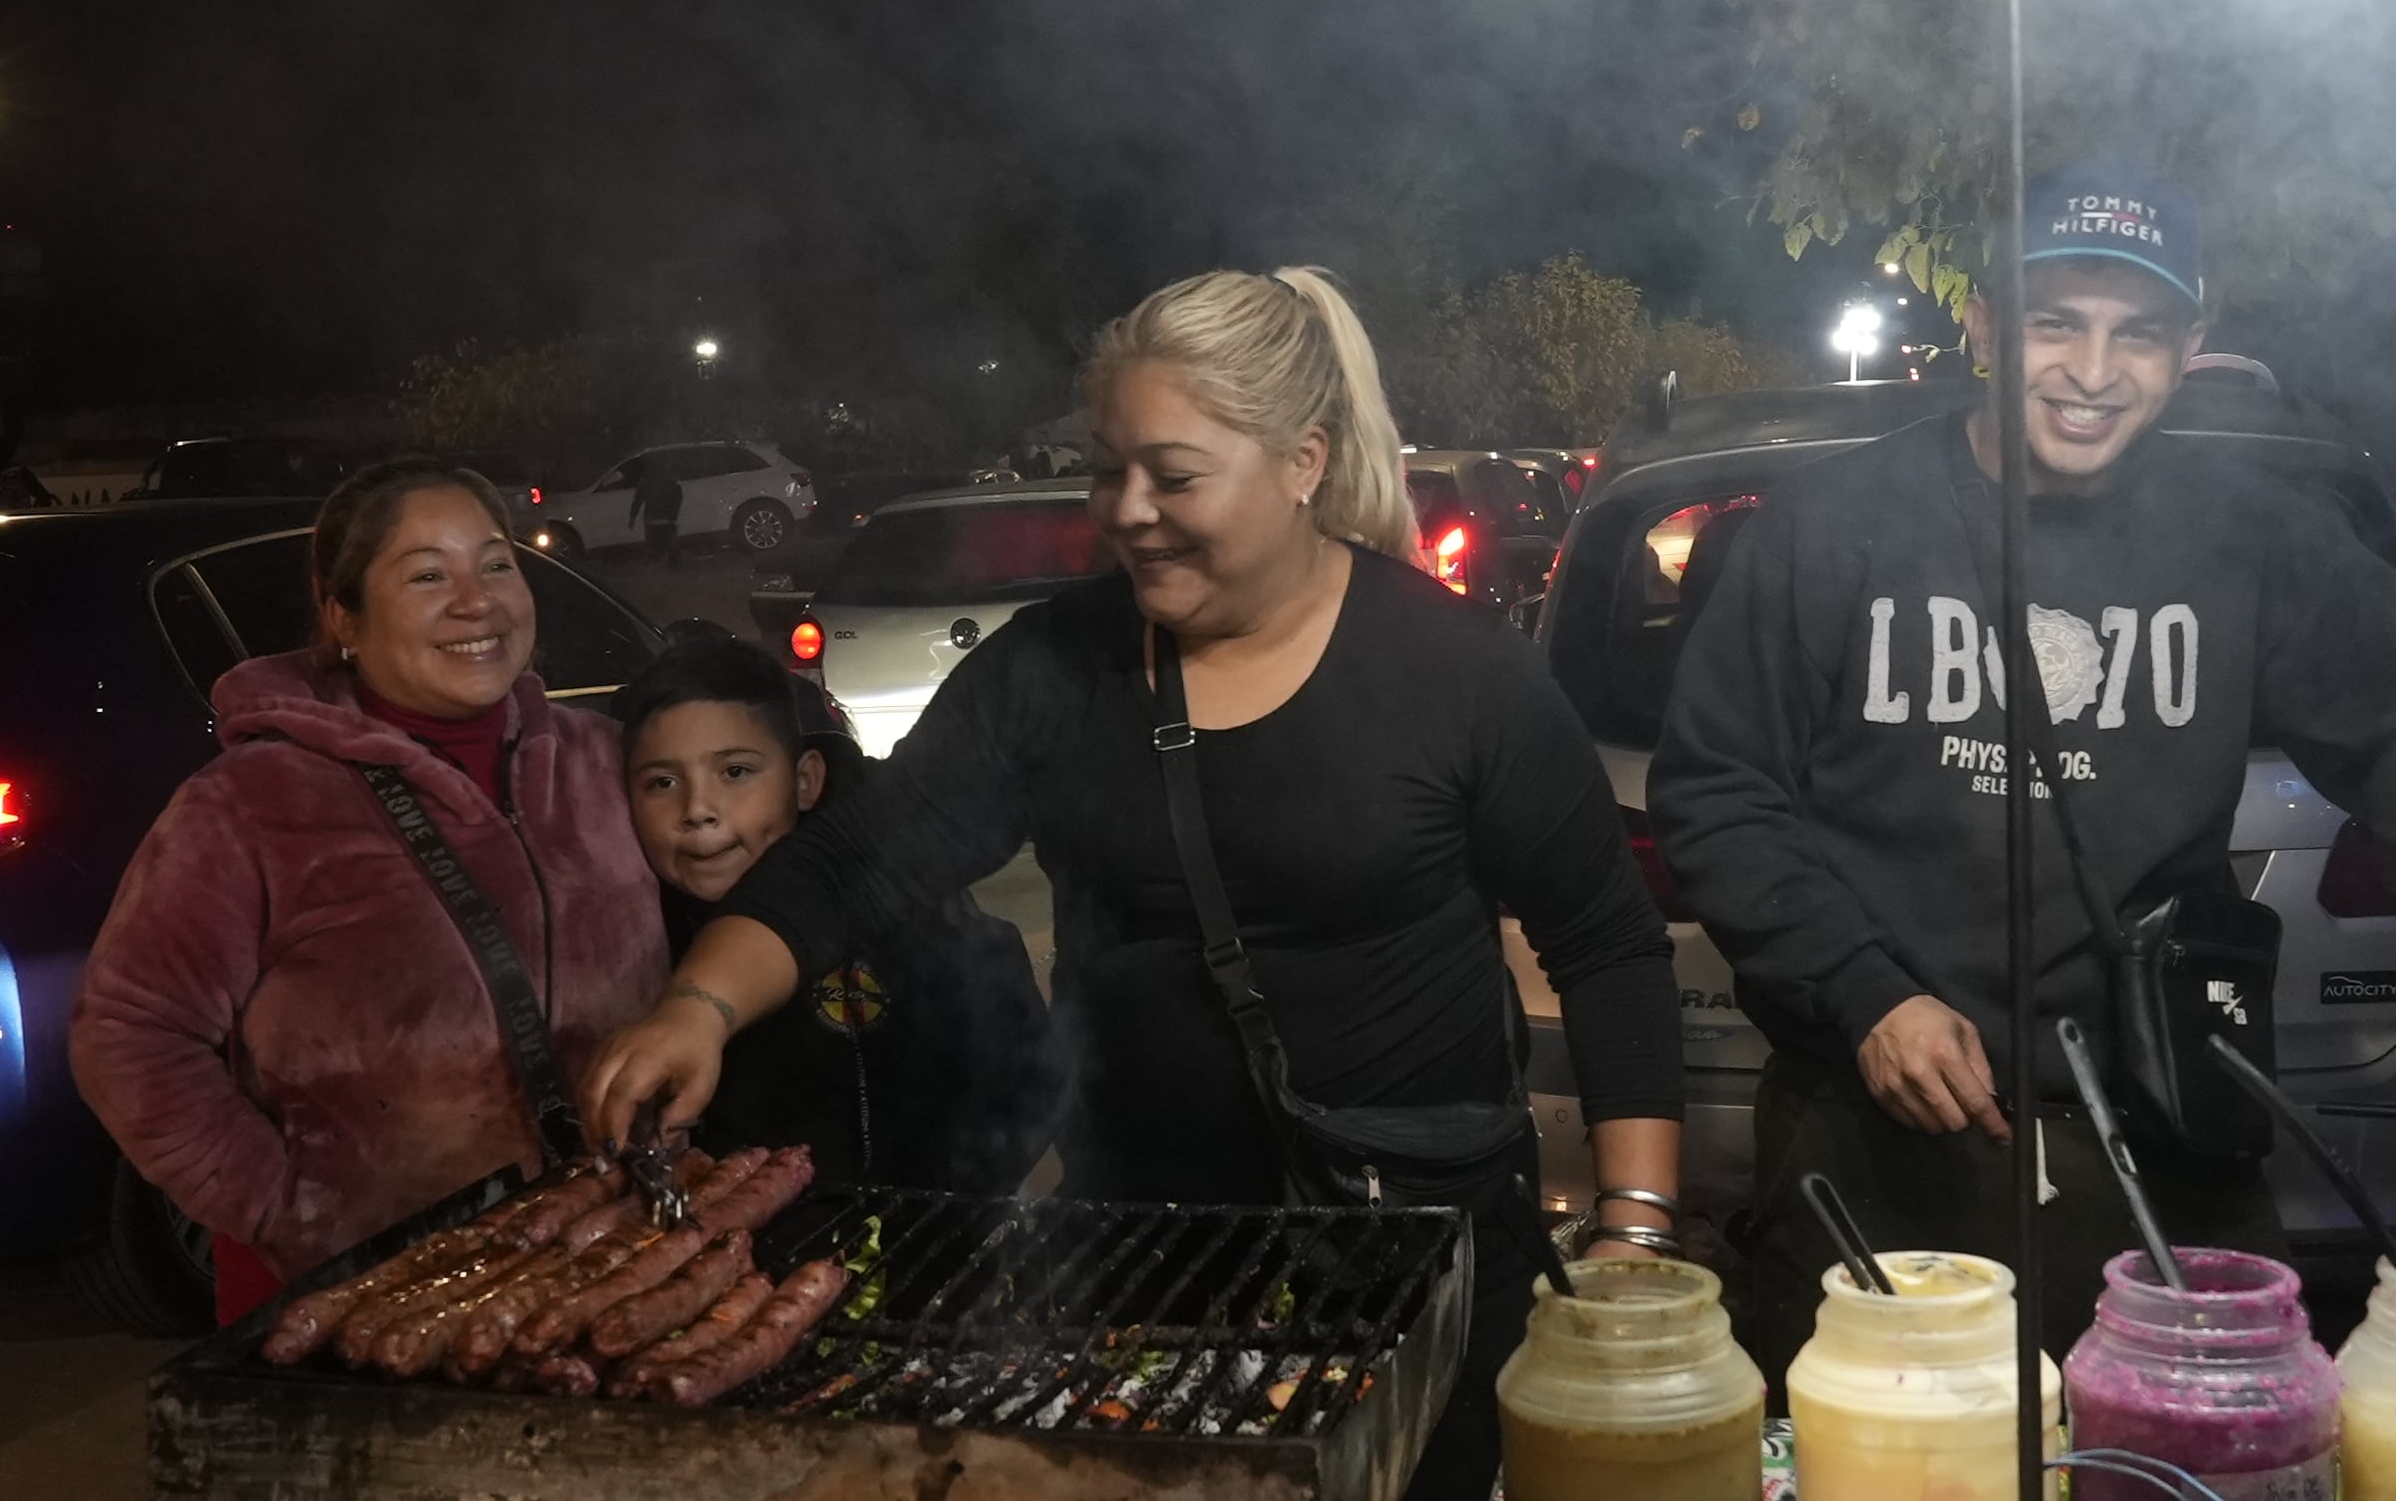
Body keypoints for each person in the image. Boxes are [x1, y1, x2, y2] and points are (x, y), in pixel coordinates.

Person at [579, 266, 1684, 1499]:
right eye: (1109, 469)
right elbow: (858, 858)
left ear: (1302, 460)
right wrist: (701, 1005)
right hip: (1145, 1256)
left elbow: (1604, 946)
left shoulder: (1455, 675)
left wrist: (1633, 1228)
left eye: (1173, 474)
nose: (1128, 510)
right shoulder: (1056, 669)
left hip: (1415, 1244)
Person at [1648, 157, 2396, 1391]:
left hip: (2158, 1141)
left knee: (2195, 1454)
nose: (2090, 372)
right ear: (1979, 322)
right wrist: (1863, 992)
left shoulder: (2250, 539)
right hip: (1875, 1133)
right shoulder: (1829, 527)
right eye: (2054, 323)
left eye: (2136, 333)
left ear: (2190, 343)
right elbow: (1717, 790)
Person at [70, 458, 668, 1321]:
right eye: (427, 574)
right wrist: (285, 1207)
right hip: (359, 1301)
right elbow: (128, 1033)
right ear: (344, 615)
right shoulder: (249, 805)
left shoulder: (601, 758)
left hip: (605, 1262)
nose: (478, 601)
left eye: (495, 562)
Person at [611, 634, 1058, 1191]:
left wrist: (958, 1204)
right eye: (662, 783)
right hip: (739, 1250)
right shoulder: (637, 939)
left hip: (928, 1238)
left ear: (804, 781)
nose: (697, 810)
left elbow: (1019, 1065)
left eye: (735, 773)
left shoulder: (899, 907)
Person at [630, 456, 684, 566]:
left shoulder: (646, 480)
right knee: (671, 544)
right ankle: (673, 564)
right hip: (666, 518)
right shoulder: (670, 478)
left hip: (652, 519)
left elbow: (638, 500)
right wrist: (673, 514)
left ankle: (654, 562)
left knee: (653, 545)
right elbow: (678, 497)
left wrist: (632, 517)